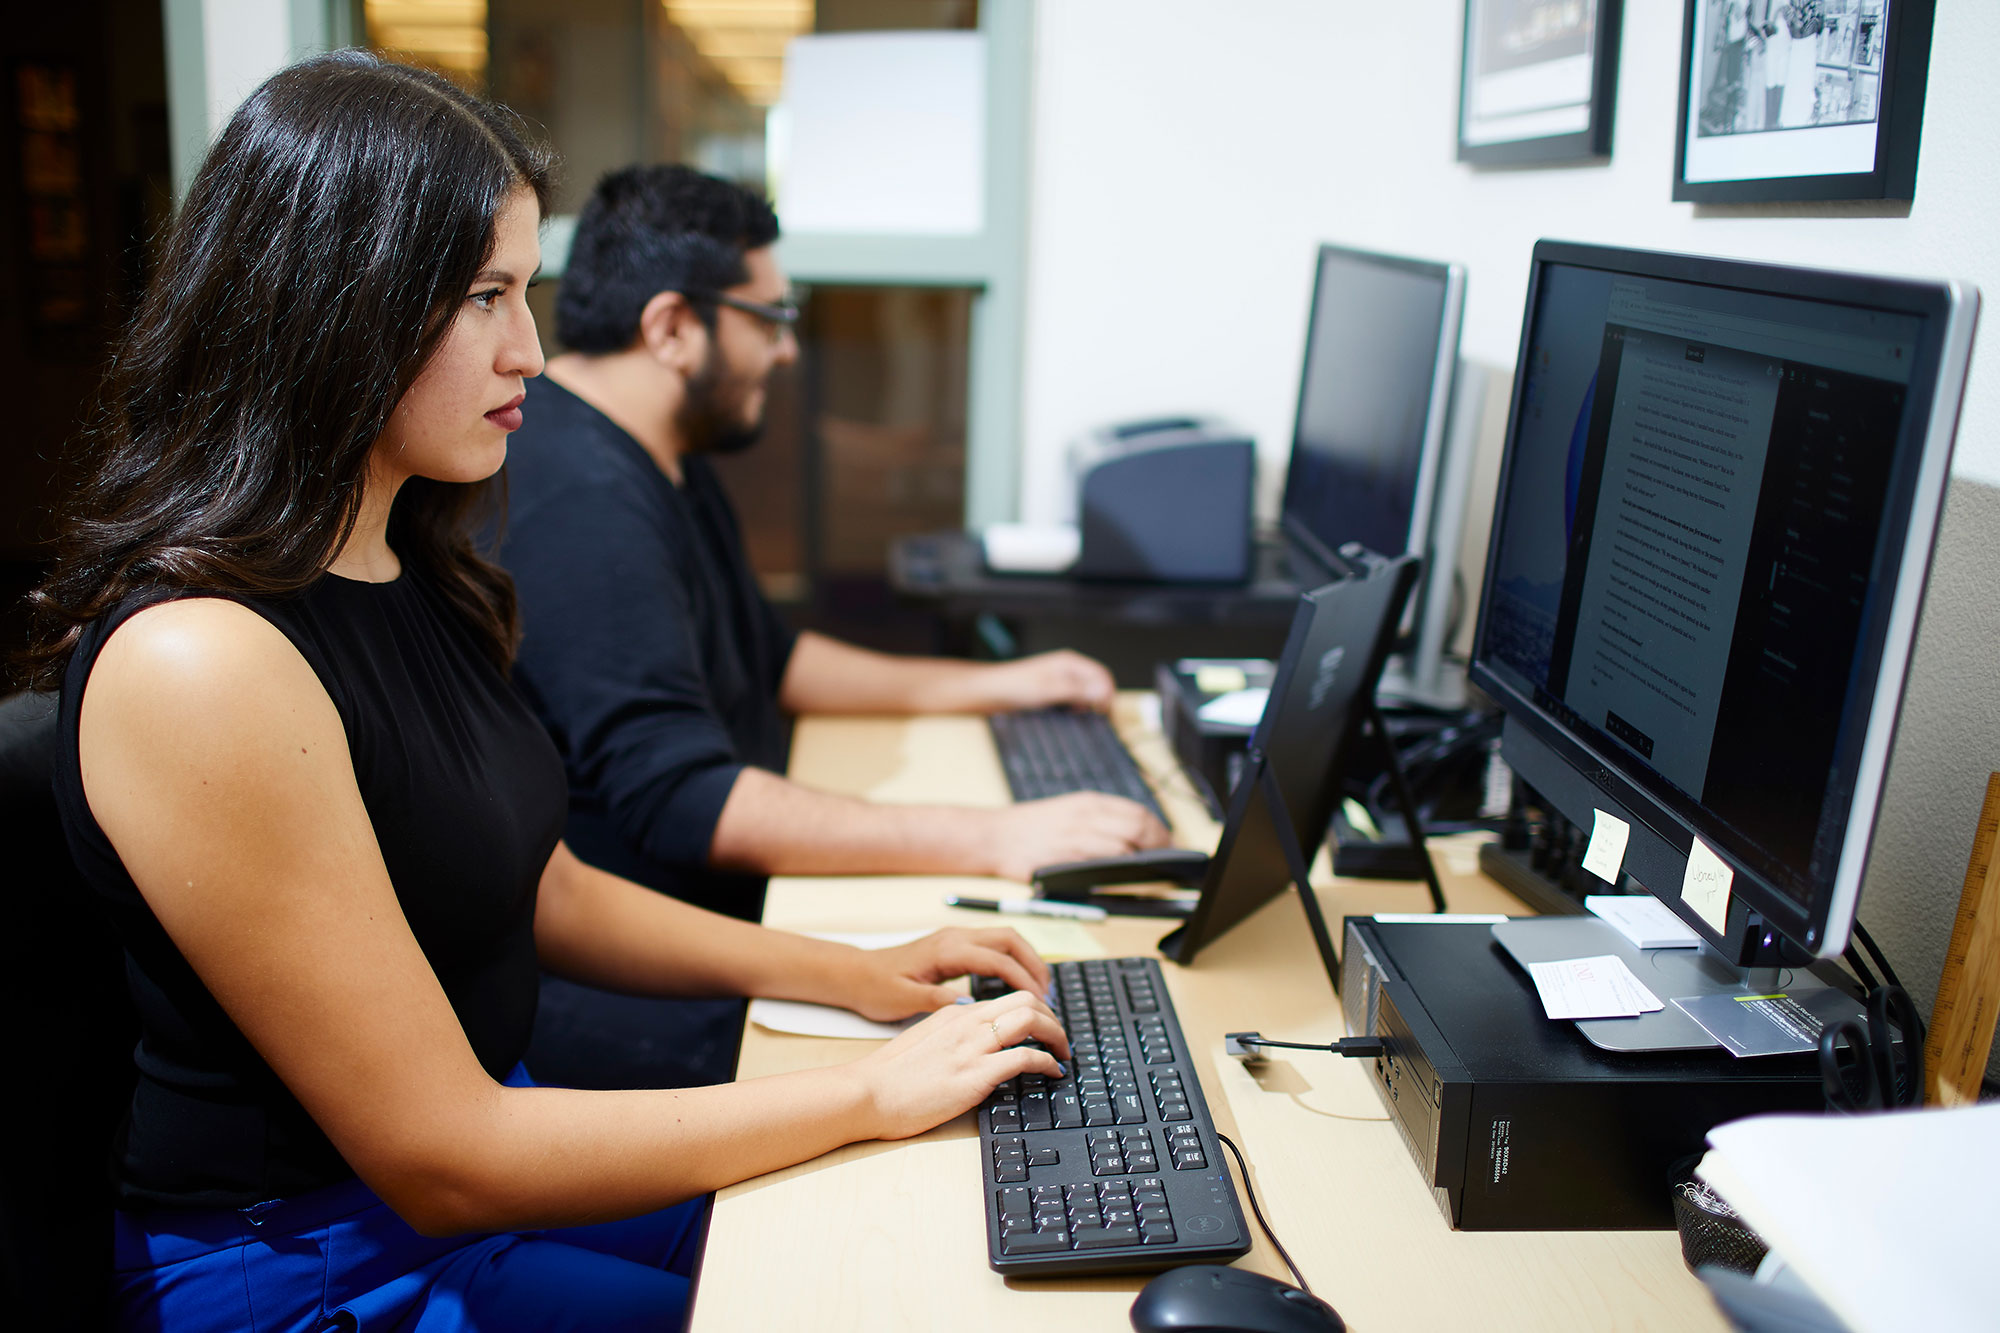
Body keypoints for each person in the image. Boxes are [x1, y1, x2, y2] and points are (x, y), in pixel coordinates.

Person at [27, 52, 1065, 1331]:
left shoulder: (410, 558)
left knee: (914, 1229)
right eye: (484, 295)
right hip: (325, 1258)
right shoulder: (202, 662)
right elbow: (442, 1150)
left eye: (527, 290)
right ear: (334, 307)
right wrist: (869, 1090)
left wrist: (852, 974)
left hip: (478, 1171)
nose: (530, 348)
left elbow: (545, 884)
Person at [494, 166, 1170, 1088]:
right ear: (672, 328)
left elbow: (772, 658)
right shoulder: (584, 503)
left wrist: (1000, 684)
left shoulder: (651, 453)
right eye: (768, 319)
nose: (786, 352)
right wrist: (992, 835)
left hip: (729, 928)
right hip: (654, 992)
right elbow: (686, 799)